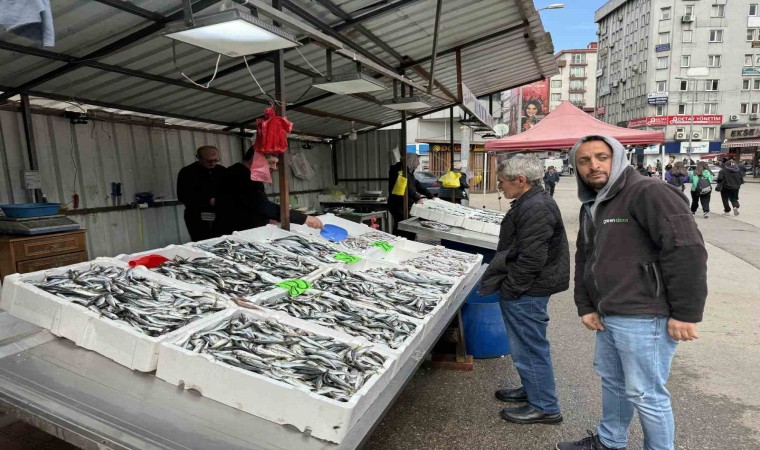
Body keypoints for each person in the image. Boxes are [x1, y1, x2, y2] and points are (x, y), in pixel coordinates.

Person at [557, 135, 707, 450]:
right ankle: (610, 441)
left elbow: (686, 250)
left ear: (618, 158)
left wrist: (686, 313)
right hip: (609, 312)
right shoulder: (594, 203)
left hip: (644, 314)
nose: (593, 165)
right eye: (584, 160)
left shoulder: (649, 192)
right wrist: (586, 304)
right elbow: (585, 256)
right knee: (613, 382)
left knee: (645, 392)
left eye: (602, 157)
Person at [479, 155, 569, 426]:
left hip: (528, 290)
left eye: (502, 182)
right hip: (530, 287)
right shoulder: (530, 201)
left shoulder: (536, 207)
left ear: (521, 180)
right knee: (525, 344)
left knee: (529, 346)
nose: (500, 187)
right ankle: (533, 389)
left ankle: (545, 407)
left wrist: (512, 288)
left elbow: (532, 258)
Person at [215, 148, 323, 234]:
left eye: (276, 164)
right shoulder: (241, 176)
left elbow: (252, 204)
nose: (274, 168)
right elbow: (262, 206)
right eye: (271, 162)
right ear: (255, 159)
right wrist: (304, 218)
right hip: (235, 233)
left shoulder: (239, 172)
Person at [177, 145, 226, 241]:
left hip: (220, 215)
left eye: (215, 160)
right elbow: (183, 196)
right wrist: (208, 201)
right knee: (202, 242)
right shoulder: (187, 172)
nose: (212, 163)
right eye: (208, 161)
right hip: (197, 216)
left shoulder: (222, 171)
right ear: (198, 157)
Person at [388, 153, 434, 237]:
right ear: (410, 160)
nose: (418, 164)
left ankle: (406, 238)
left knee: (406, 225)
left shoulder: (408, 172)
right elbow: (406, 187)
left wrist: (430, 195)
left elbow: (416, 184)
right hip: (399, 205)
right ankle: (402, 240)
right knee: (402, 226)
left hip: (405, 204)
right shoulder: (400, 171)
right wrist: (417, 198)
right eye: (416, 161)